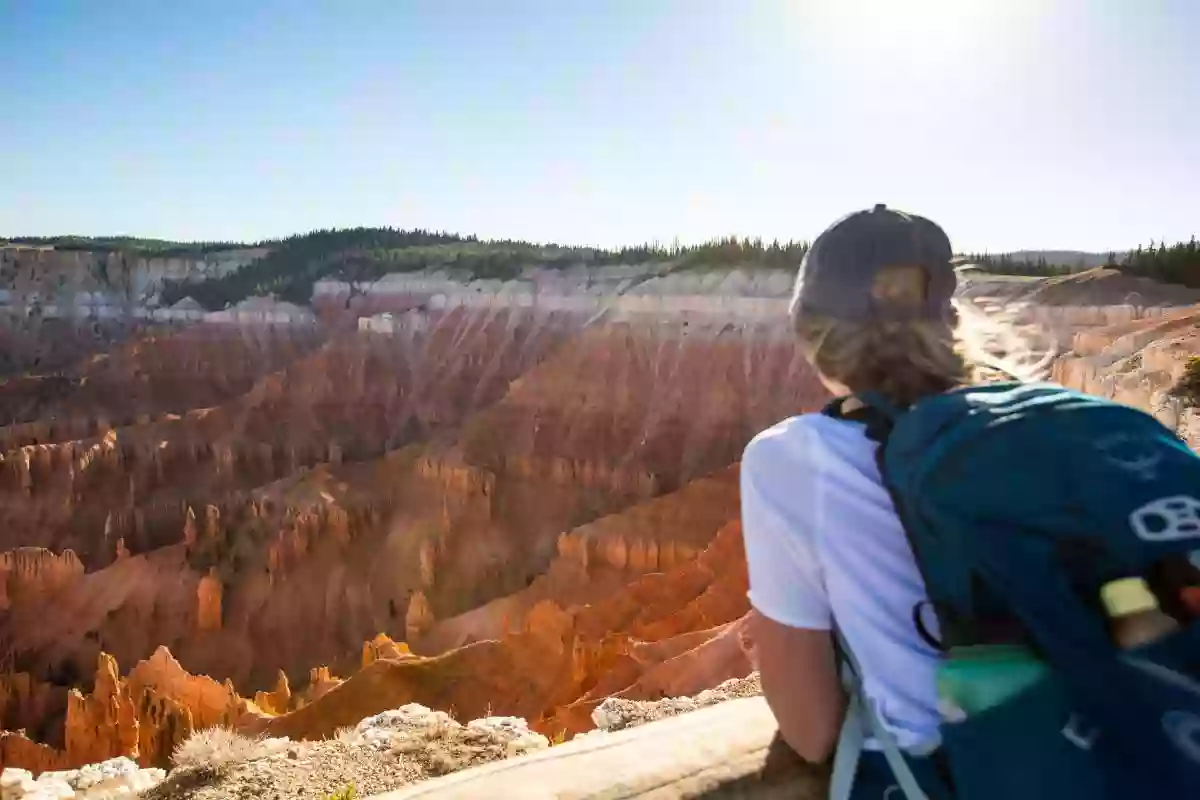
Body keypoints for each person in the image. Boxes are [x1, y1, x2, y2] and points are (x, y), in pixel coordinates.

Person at [740, 204, 965, 798]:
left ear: (811, 333)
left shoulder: (791, 457)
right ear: (953, 322)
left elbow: (812, 732)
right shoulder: (1031, 426)